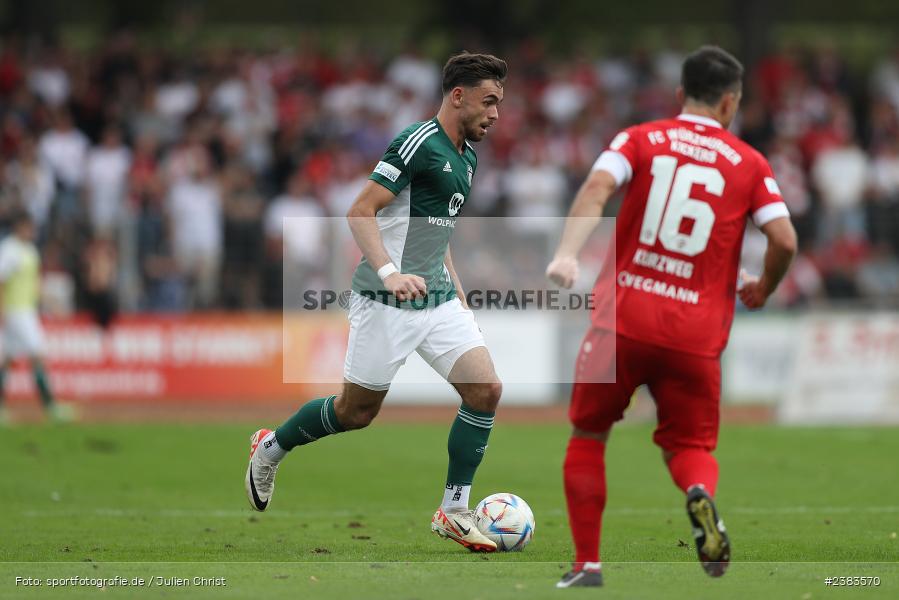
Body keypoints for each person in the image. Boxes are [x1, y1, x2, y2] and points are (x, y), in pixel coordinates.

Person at [546, 46, 797, 587]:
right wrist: (764, 286)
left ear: (681, 95)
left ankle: (587, 566)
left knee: (588, 435)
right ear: (730, 102)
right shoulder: (750, 163)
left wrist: (567, 253)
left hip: (621, 322)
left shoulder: (639, 138)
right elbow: (784, 239)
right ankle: (698, 493)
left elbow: (596, 188)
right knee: (690, 447)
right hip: (695, 334)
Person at [245, 52, 507, 552]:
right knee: (355, 412)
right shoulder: (418, 142)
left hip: (438, 301)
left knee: (486, 391)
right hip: (385, 301)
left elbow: (437, 231)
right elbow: (360, 210)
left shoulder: (467, 156)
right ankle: (270, 447)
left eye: (499, 104)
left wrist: (457, 287)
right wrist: (390, 274)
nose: (496, 114)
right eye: (489, 101)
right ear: (458, 96)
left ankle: (453, 511)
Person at [0, 210, 73, 424]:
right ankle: (50, 406)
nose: (32, 231)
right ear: (19, 227)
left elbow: (34, 285)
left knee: (7, 360)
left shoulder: (30, 251)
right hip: (16, 311)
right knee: (38, 355)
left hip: (27, 310)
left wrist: (51, 304)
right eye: (29, 227)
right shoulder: (9, 250)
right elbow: (1, 281)